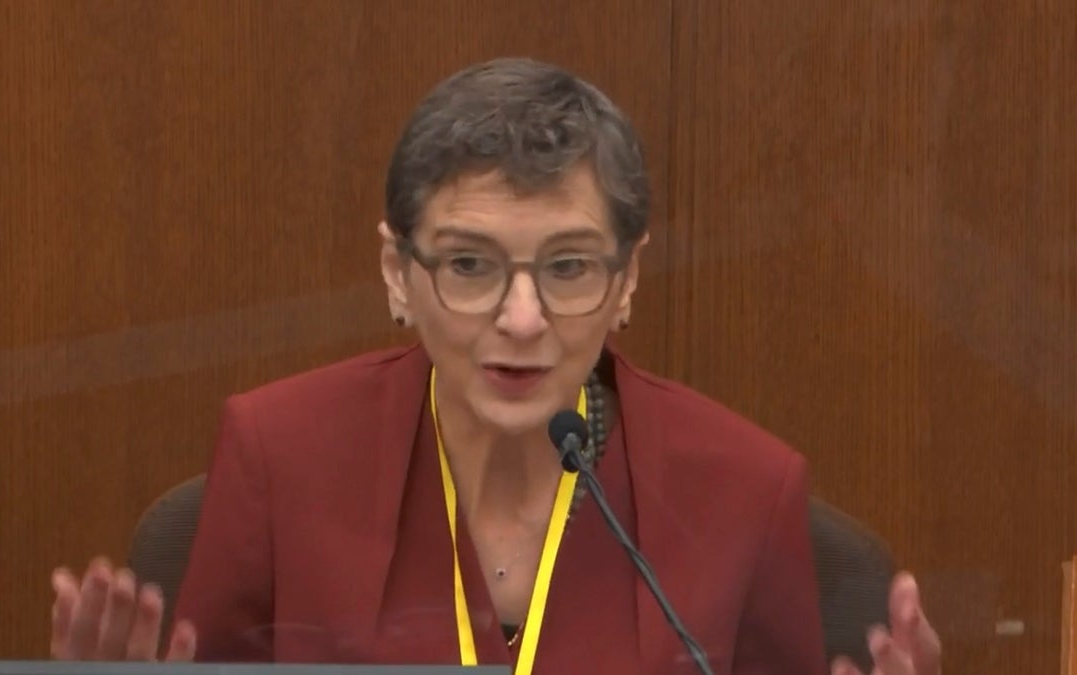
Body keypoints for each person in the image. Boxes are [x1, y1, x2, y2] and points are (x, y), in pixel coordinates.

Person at [49, 57, 941, 675]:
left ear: (626, 280)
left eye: (568, 266)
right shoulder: (281, 454)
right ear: (400, 271)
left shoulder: (745, 490)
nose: (523, 319)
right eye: (471, 265)